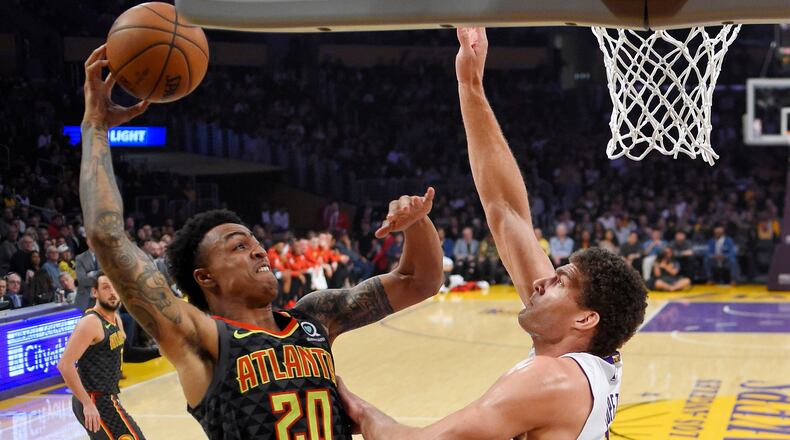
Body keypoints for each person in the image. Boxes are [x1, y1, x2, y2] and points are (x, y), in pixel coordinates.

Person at [78, 45, 443, 439]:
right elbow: (106, 236)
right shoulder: (202, 339)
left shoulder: (314, 317)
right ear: (205, 277)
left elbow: (419, 281)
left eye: (254, 241)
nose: (258, 249)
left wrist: (417, 223)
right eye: (238, 246)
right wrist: (95, 127)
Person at [339, 28, 648, 440]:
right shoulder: (593, 357)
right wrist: (470, 84)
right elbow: (506, 210)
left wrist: (360, 412)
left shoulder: (550, 381)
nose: (540, 281)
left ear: (585, 318)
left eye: (560, 282)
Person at [57, 272, 145, 439]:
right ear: (94, 292)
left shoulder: (115, 318)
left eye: (115, 288)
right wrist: (87, 404)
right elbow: (65, 365)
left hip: (107, 399)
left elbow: (128, 353)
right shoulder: (91, 322)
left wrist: (160, 352)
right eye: (106, 288)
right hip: (95, 400)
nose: (112, 292)